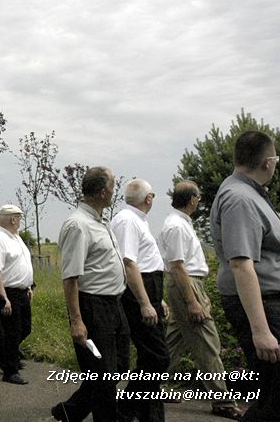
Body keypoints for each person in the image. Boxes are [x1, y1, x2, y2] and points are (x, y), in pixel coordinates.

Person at [157, 179, 243, 420]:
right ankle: (223, 401)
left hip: (190, 283)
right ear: (192, 199)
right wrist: (194, 301)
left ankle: (151, 387)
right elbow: (177, 266)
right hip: (186, 283)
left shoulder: (180, 223)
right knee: (208, 342)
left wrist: (199, 296)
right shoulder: (176, 225)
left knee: (174, 342)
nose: (199, 201)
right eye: (198, 197)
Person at [212, 129, 280, 420]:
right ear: (267, 162)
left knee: (274, 396)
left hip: (266, 301)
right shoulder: (240, 199)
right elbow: (241, 265)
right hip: (262, 305)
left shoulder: (249, 194)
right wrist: (261, 331)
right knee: (275, 398)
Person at [51, 167, 129, 422]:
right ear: (102, 192)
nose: (114, 192)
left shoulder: (100, 221)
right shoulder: (79, 225)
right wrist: (77, 320)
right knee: (103, 377)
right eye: (112, 187)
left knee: (117, 367)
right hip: (93, 309)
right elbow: (70, 277)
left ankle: (70, 411)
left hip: (113, 306)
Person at [111, 179, 169, 422]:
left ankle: (147, 414)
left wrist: (158, 299)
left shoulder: (136, 220)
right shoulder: (127, 221)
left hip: (149, 290)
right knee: (158, 356)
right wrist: (145, 302)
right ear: (148, 199)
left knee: (149, 356)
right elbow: (129, 263)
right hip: (138, 294)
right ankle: (125, 409)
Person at [0, 204, 33, 386]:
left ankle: (3, 353)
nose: (20, 221)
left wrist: (28, 285)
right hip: (9, 291)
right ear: (13, 219)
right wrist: (3, 297)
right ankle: (9, 370)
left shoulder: (16, 238)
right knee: (12, 332)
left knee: (24, 328)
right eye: (19, 217)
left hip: (22, 290)